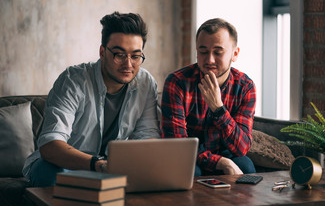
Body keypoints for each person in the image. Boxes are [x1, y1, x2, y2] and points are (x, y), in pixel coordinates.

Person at [23, 12, 160, 187]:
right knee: (50, 173)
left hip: (110, 167)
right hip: (65, 165)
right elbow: (51, 145)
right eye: (119, 54)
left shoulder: (146, 83)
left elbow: (147, 137)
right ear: (102, 52)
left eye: (135, 56)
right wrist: (97, 165)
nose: (128, 64)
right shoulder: (73, 80)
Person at [161, 18, 256, 176]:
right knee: (190, 172)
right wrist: (221, 163)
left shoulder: (245, 87)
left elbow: (242, 147)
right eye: (203, 52)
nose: (209, 59)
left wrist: (218, 109)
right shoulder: (177, 82)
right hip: (189, 157)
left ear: (235, 54)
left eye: (218, 52)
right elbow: (177, 146)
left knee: (246, 167)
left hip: (227, 152)